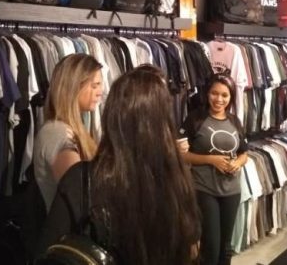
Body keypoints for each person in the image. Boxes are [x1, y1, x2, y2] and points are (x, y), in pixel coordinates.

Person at [36, 65, 201, 265]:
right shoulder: (176, 179)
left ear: (111, 116)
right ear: (164, 123)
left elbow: (50, 250)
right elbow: (191, 248)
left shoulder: (83, 179)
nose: (99, 92)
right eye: (94, 85)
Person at [180, 73, 248, 265]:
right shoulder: (195, 119)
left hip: (231, 190)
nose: (219, 99)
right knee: (211, 245)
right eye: (214, 93)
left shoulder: (235, 121)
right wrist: (211, 160)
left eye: (224, 95)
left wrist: (238, 163)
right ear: (207, 94)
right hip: (204, 189)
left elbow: (244, 153)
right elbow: (182, 155)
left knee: (225, 246)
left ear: (231, 97)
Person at [33, 53, 103, 212]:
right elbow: (79, 193)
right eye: (94, 86)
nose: (100, 92)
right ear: (73, 87)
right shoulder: (57, 133)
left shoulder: (70, 129)